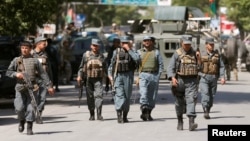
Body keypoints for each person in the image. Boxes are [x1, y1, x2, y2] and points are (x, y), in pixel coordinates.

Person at [6, 41, 54, 135]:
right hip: (20, 87)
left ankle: (29, 127)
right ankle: (21, 121)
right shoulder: (16, 60)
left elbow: (43, 74)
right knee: (19, 108)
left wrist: (49, 86)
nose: (24, 50)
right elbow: (8, 72)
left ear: (30, 49)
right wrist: (16, 74)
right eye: (22, 48)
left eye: (26, 48)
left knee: (31, 109)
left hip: (32, 87)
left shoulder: (35, 60)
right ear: (20, 49)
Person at [167, 35, 201, 131]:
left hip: (192, 81)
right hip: (179, 81)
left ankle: (191, 122)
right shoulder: (177, 53)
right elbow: (171, 67)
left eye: (189, 44)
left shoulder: (195, 53)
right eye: (185, 44)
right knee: (179, 103)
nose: (187, 46)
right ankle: (180, 121)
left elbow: (201, 68)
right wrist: (173, 78)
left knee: (191, 100)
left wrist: (199, 58)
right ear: (182, 43)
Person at [108, 36, 139, 123]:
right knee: (119, 95)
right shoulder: (116, 52)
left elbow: (137, 59)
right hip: (118, 76)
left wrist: (129, 50)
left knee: (127, 97)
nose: (124, 45)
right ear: (121, 44)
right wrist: (110, 75)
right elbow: (111, 64)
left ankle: (125, 115)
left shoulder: (133, 52)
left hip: (128, 76)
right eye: (123, 43)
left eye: (126, 43)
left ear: (129, 43)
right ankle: (119, 115)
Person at [77, 38, 106, 121]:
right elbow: (81, 67)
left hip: (98, 79)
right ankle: (92, 114)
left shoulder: (101, 56)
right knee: (90, 97)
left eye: (96, 46)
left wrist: (109, 78)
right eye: (94, 46)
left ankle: (99, 114)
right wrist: (79, 76)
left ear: (99, 47)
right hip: (88, 80)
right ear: (91, 46)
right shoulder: (86, 55)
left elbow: (105, 67)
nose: (95, 47)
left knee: (99, 95)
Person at [137, 35, 164, 121]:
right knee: (143, 93)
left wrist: (158, 75)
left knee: (152, 97)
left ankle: (148, 113)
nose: (147, 42)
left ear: (151, 42)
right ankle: (144, 108)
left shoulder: (156, 52)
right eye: (145, 40)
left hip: (154, 75)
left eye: (148, 40)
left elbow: (161, 65)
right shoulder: (139, 52)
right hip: (143, 75)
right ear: (143, 42)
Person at [199, 38, 226, 119]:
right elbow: (196, 66)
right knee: (205, 93)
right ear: (206, 45)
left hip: (214, 77)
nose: (212, 46)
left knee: (212, 95)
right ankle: (205, 110)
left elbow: (221, 66)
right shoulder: (201, 54)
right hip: (204, 77)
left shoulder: (217, 54)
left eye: (212, 44)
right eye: (210, 44)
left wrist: (222, 77)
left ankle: (208, 108)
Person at [32, 36, 55, 124]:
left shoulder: (45, 55)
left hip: (43, 79)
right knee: (33, 98)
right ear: (38, 44)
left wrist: (50, 81)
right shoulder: (30, 54)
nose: (45, 45)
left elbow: (49, 69)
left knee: (42, 98)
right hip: (33, 79)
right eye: (43, 44)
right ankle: (32, 113)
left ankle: (39, 115)